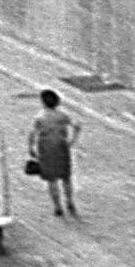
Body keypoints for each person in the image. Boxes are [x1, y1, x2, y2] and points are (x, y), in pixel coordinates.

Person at [28, 89, 79, 217]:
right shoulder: (63, 115)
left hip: (46, 149)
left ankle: (57, 206)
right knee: (66, 177)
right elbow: (76, 126)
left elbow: (33, 134)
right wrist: (72, 140)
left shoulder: (40, 117)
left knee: (52, 179)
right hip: (61, 147)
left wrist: (31, 148)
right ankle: (69, 201)